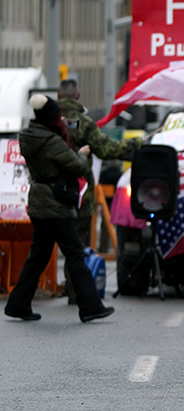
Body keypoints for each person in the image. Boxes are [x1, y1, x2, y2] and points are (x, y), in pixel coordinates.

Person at [4, 95, 115, 322]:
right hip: (55, 204)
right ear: (51, 118)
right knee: (75, 252)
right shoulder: (52, 141)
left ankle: (17, 304)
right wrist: (82, 155)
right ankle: (90, 306)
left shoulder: (27, 136)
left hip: (38, 201)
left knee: (38, 256)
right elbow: (76, 166)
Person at [58, 78, 144, 303]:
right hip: (78, 193)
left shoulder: (48, 122)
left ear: (58, 96)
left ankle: (24, 296)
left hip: (49, 192)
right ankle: (75, 291)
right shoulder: (85, 124)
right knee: (77, 244)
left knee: (42, 246)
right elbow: (107, 149)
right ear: (78, 96)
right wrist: (136, 143)